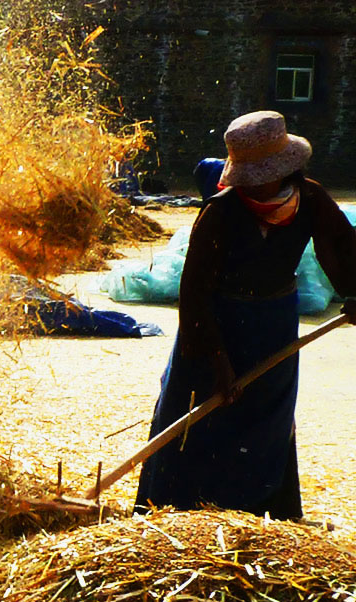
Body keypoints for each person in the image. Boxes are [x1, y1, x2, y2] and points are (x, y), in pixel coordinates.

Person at [134, 111, 356, 521]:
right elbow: (194, 293)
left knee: (267, 418)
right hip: (216, 324)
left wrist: (355, 292)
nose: (256, 183)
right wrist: (217, 360)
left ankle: (265, 513)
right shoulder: (220, 212)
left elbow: (340, 248)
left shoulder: (310, 199)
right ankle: (176, 511)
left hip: (273, 323)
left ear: (285, 167)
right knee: (199, 415)